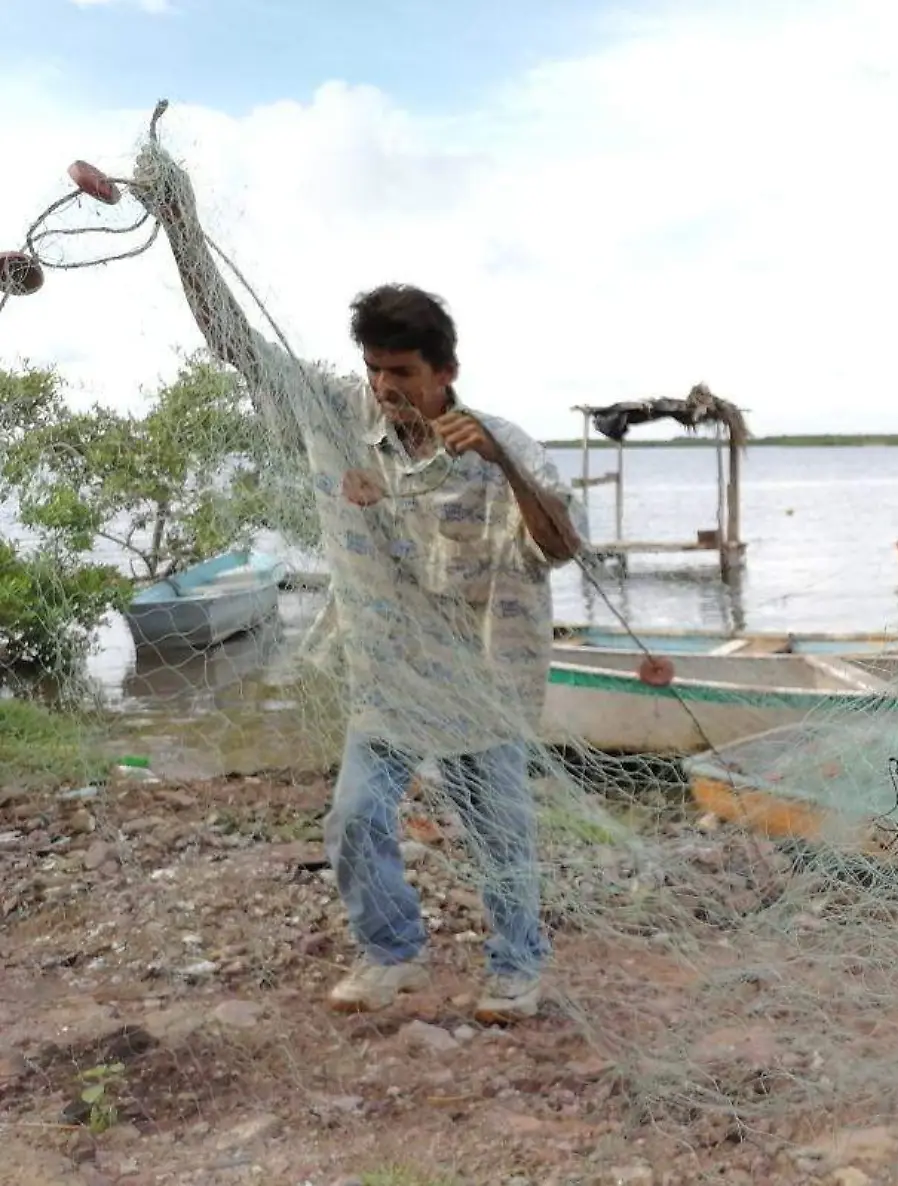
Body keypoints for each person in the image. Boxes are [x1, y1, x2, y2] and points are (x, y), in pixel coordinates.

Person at [131, 142, 588, 1024]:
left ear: (445, 372)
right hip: (384, 675)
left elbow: (561, 546)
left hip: (480, 682)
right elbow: (233, 339)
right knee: (353, 820)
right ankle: (392, 953)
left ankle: (516, 965)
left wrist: (504, 466)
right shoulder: (336, 412)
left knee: (500, 837)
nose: (386, 388)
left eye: (404, 373)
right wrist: (180, 228)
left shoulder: (498, 443)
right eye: (377, 369)